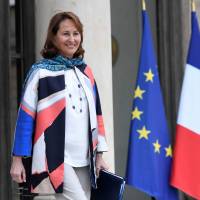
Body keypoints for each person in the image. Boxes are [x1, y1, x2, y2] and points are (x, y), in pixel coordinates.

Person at [10, 11, 109, 200]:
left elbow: (97, 115)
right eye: (65, 34)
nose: (72, 39)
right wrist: (17, 160)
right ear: (53, 38)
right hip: (55, 156)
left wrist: (99, 155)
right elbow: (25, 117)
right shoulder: (40, 73)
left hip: (85, 157)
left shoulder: (86, 71)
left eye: (76, 33)